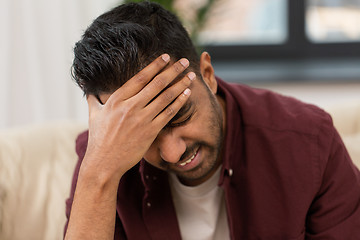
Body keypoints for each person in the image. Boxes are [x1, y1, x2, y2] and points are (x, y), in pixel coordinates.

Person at [64, 2, 360, 239]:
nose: (172, 152)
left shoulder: (309, 139)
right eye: (145, 134)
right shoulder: (102, 160)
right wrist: (98, 175)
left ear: (207, 74)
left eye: (180, 114)